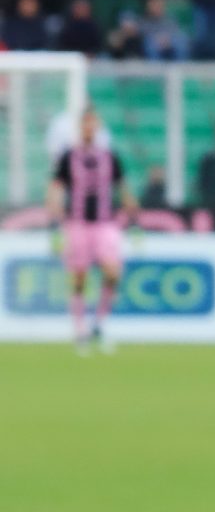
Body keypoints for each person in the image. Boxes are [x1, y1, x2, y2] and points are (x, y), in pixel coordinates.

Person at [48, 107, 131, 353]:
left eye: (92, 124)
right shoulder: (68, 157)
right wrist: (54, 216)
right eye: (85, 124)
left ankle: (100, 323)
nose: (89, 129)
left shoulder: (110, 157)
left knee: (113, 272)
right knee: (79, 276)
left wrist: (131, 210)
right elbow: (56, 186)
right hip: (77, 223)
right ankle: (80, 329)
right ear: (79, 127)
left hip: (105, 222)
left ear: (98, 127)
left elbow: (122, 186)